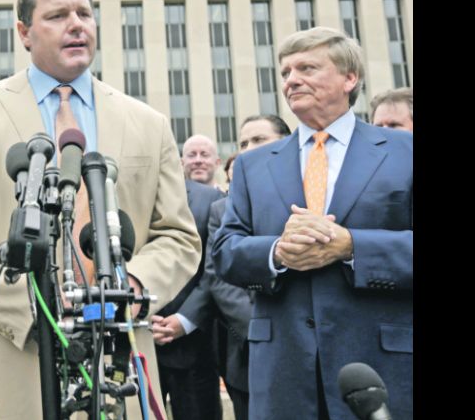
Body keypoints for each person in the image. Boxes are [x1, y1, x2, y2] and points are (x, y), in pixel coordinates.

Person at [0, 0, 201, 420]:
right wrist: (39, 303)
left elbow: (179, 236)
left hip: (119, 358)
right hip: (8, 355)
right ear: (24, 32)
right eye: (58, 15)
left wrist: (132, 284)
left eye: (85, 14)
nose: (76, 25)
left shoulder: (148, 123)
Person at [214, 27, 412, 419]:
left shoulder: (403, 152)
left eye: (307, 67)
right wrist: (276, 252)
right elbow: (224, 252)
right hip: (284, 372)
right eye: (286, 72)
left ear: (349, 78)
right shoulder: (254, 165)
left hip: (377, 371)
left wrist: (353, 246)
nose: (292, 80)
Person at [153, 115, 291, 420]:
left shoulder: (311, 195)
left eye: (258, 140)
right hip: (245, 347)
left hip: (300, 343)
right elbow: (220, 278)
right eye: (243, 143)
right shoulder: (223, 209)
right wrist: (259, 330)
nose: (248, 149)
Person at [152, 161, 225, 419]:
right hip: (135, 349)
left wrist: (185, 320)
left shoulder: (210, 199)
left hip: (194, 346)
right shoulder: (113, 195)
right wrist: (138, 314)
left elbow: (216, 269)